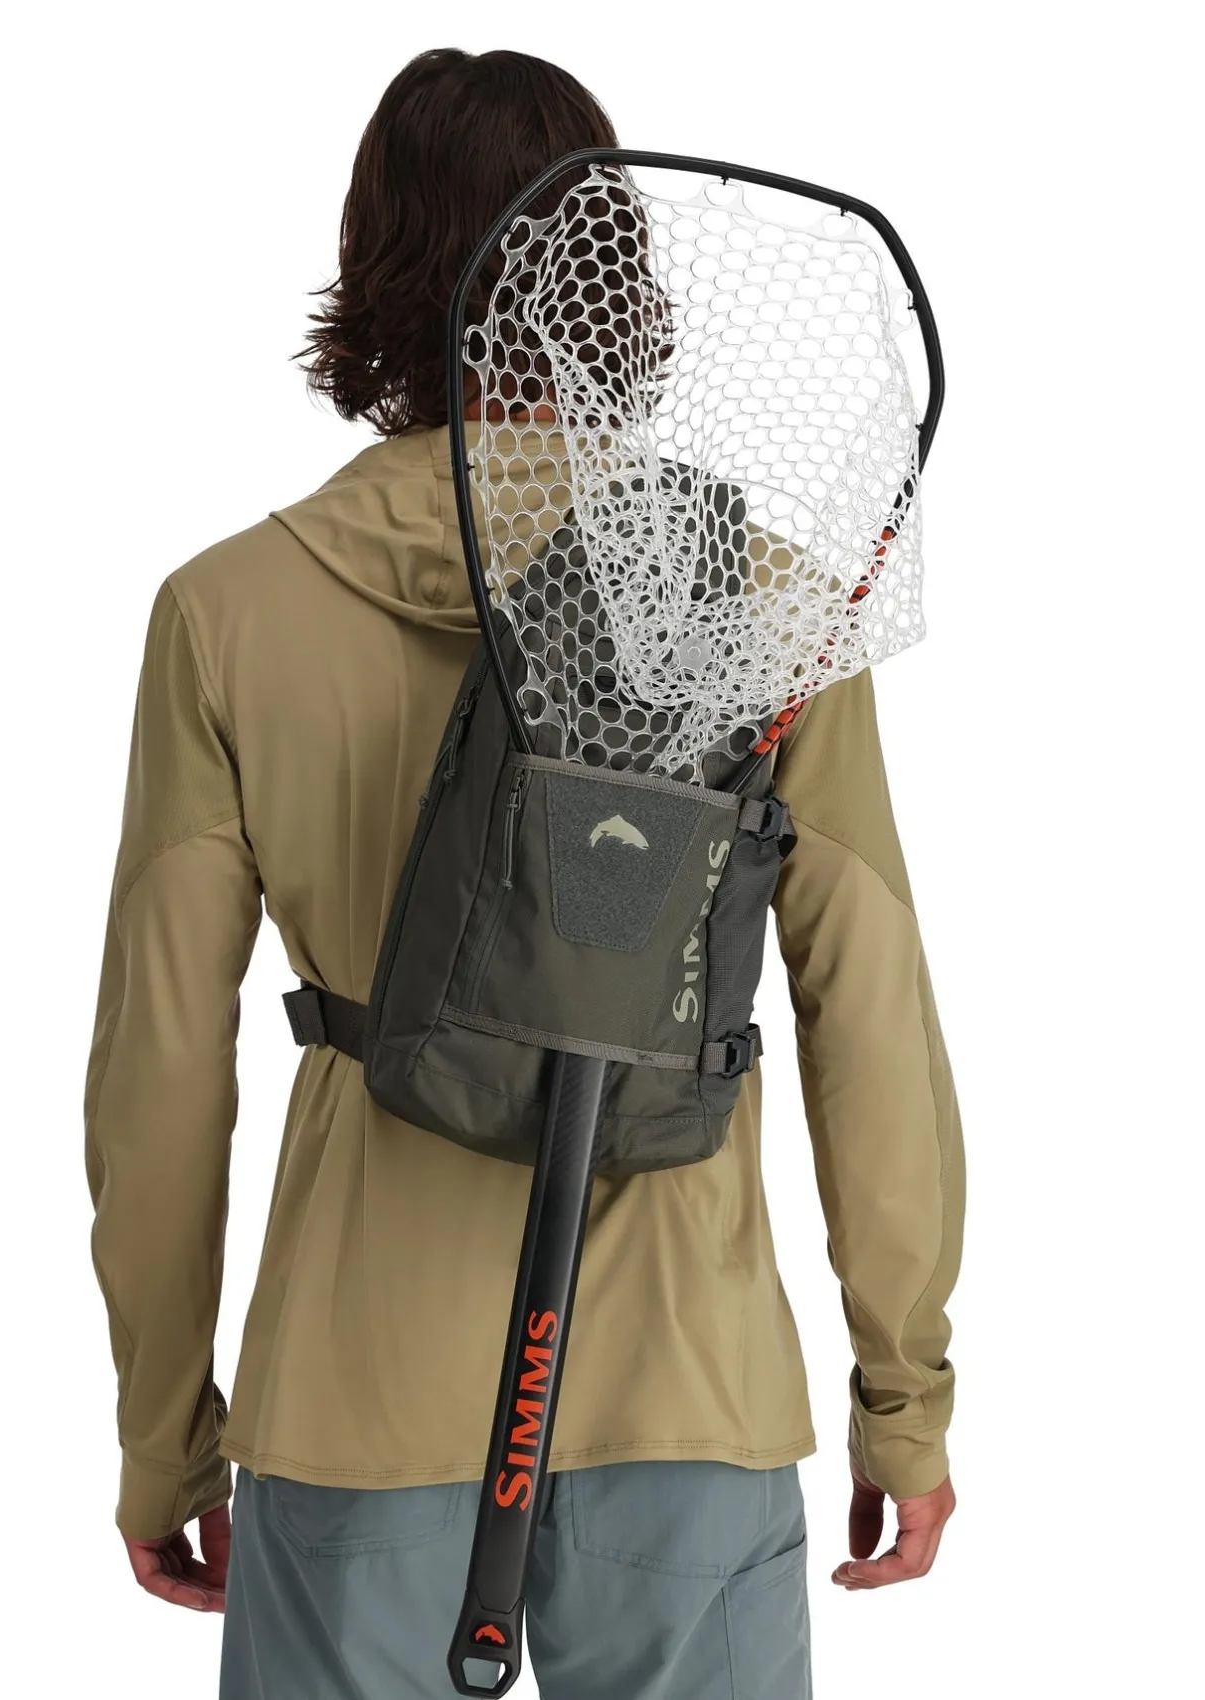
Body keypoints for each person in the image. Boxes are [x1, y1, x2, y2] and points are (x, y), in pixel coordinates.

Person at [84, 46, 964, 1700]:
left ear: (372, 265)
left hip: (357, 1390)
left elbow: (159, 1071)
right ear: (611, 278)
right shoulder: (756, 592)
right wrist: (902, 1401)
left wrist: (162, 1437)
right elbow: (870, 1010)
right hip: (684, 1384)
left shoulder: (228, 614)